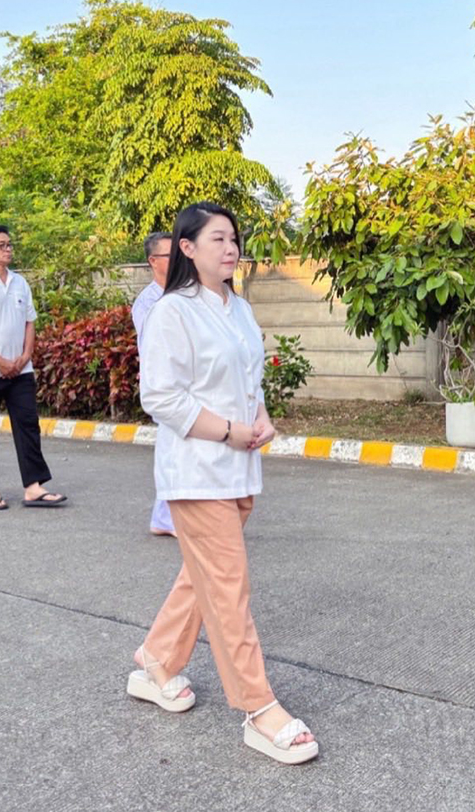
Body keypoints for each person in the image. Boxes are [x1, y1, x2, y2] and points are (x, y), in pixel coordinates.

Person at [128, 202, 319, 766]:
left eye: (234, 238)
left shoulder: (239, 308)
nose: (231, 248)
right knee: (229, 587)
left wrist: (260, 418)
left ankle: (156, 660)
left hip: (239, 467)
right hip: (197, 470)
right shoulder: (172, 311)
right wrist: (230, 431)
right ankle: (259, 708)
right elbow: (160, 396)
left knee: (204, 576)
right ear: (187, 248)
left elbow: (248, 379)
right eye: (218, 238)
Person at [0, 225, 68, 511]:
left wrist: (25, 355)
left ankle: (34, 487)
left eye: (9, 244)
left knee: (28, 426)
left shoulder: (19, 282)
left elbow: (30, 322)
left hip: (21, 370)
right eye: (1, 245)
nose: (8, 249)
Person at [131, 231, 176, 538]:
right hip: (165, 386)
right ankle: (167, 519)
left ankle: (164, 517)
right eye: (170, 256)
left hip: (185, 385)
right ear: (153, 261)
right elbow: (154, 349)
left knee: (176, 451)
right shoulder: (148, 302)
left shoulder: (184, 292)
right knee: (172, 450)